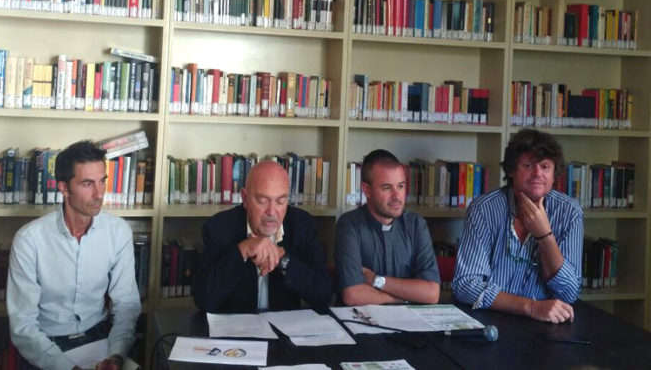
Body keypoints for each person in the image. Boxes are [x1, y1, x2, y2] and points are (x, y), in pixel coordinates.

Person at [7, 141, 141, 370]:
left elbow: (126, 303)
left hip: (100, 337)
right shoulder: (29, 240)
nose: (99, 194)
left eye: (102, 181)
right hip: (48, 343)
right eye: (87, 184)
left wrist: (116, 356)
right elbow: (23, 325)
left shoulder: (118, 231)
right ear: (64, 188)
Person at [453, 128, 583, 323]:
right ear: (511, 170)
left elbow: (569, 293)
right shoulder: (484, 208)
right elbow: (465, 285)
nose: (537, 173)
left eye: (545, 167)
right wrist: (531, 307)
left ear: (554, 174)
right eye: (528, 165)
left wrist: (544, 235)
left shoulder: (569, 212)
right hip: (489, 318)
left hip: (545, 324)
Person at [194, 161, 332, 312]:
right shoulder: (219, 227)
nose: (271, 212)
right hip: (236, 324)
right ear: (245, 198)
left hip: (283, 325)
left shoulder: (302, 226)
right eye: (262, 200)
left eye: (280, 201)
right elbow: (203, 299)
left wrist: (283, 260)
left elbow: (324, 296)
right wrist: (242, 251)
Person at [335, 149, 440, 306]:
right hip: (362, 318)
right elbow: (353, 295)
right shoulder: (349, 225)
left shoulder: (416, 224)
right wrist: (406, 298)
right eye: (386, 188)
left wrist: (376, 280)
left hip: (409, 319)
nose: (397, 196)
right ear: (367, 190)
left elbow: (431, 293)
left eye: (401, 186)